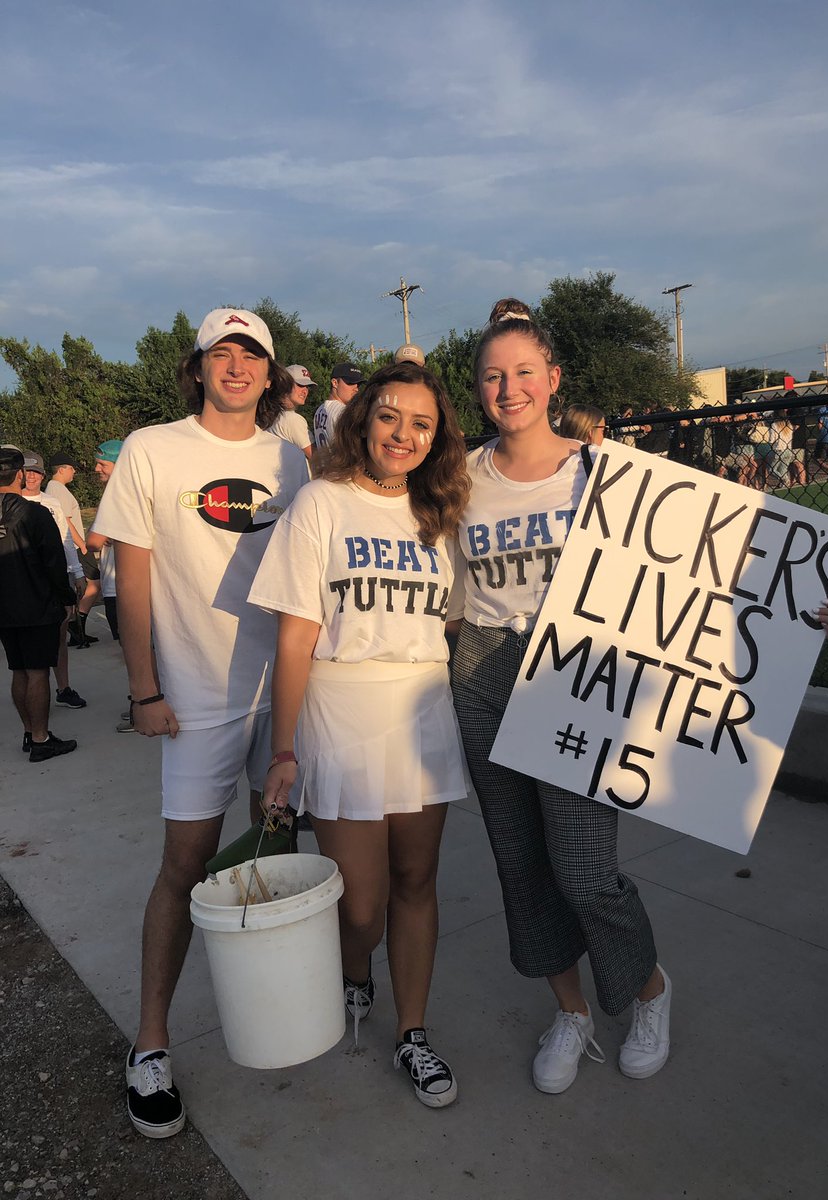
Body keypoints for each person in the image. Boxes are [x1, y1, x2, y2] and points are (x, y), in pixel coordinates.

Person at [450, 300, 828, 1097]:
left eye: (525, 371)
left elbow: (710, 563)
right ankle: (569, 1013)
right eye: (493, 375)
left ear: (553, 379)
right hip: (482, 671)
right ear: (479, 389)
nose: (510, 387)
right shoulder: (460, 478)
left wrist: (807, 607)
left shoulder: (605, 469)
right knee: (521, 867)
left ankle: (648, 990)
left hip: (578, 671)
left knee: (584, 870)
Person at [92, 308, 309, 1139]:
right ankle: (151, 1043)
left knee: (273, 846)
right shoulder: (152, 448)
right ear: (199, 367)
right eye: (223, 351)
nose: (238, 365)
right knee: (184, 865)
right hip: (196, 701)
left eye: (252, 353)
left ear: (271, 372)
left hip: (282, 692)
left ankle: (274, 997)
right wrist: (145, 688)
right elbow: (131, 576)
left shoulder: (291, 458)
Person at [250, 360, 470, 1108]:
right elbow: (294, 639)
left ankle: (413, 1032)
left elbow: (460, 618)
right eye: (389, 416)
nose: (402, 434)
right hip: (341, 714)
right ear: (362, 419)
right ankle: (354, 972)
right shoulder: (320, 504)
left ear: (437, 437)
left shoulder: (442, 512)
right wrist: (283, 752)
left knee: (416, 879)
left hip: (423, 713)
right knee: (360, 904)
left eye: (421, 423)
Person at [0, 447, 78, 763]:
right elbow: (54, 561)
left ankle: (29, 732)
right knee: (37, 672)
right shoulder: (35, 513)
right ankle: (41, 739)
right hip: (35, 603)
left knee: (18, 670)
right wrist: (67, 598)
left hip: (4, 608)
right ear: (20, 474)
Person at [21, 450, 88, 711]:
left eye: (36, 472)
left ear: (43, 475)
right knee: (29, 641)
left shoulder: (52, 503)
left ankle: (63, 688)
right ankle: (33, 692)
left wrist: (77, 572)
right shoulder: (8, 502)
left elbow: (66, 539)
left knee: (59, 635)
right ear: (19, 474)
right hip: (23, 582)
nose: (32, 477)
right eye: (27, 472)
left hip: (54, 578)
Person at [86, 440, 132, 731]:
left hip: (124, 587)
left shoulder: (121, 496)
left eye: (102, 463)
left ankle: (143, 702)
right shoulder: (121, 495)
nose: (96, 468)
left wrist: (106, 535)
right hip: (117, 585)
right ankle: (139, 700)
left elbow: (93, 540)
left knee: (135, 650)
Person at [46, 451, 102, 647]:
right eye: (71, 468)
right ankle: (76, 625)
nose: (74, 472)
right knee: (94, 584)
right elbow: (66, 522)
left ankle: (78, 628)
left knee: (87, 585)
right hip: (76, 545)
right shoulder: (57, 489)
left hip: (75, 545)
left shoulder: (54, 488)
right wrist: (82, 546)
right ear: (61, 469)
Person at [269, 364, 316, 462]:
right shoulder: (292, 419)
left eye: (307, 386)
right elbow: (317, 458)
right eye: (300, 385)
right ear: (285, 385)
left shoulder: (270, 414)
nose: (305, 391)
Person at [312, 362, 364, 449]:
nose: (356, 389)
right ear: (335, 383)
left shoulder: (319, 410)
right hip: (343, 462)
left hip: (325, 462)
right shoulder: (343, 411)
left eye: (358, 384)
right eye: (350, 383)